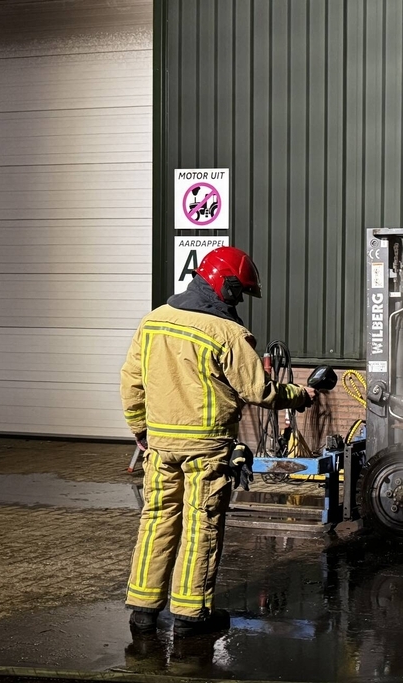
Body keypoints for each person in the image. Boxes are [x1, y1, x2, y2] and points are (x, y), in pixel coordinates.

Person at [120, 246, 316, 637]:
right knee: (201, 525)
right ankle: (192, 615)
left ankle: (143, 611)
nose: (239, 299)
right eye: (239, 291)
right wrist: (299, 395)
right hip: (207, 449)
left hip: (160, 446)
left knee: (156, 520)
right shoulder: (226, 333)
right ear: (224, 286)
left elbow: (131, 382)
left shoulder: (154, 321)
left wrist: (141, 430)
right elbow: (258, 390)